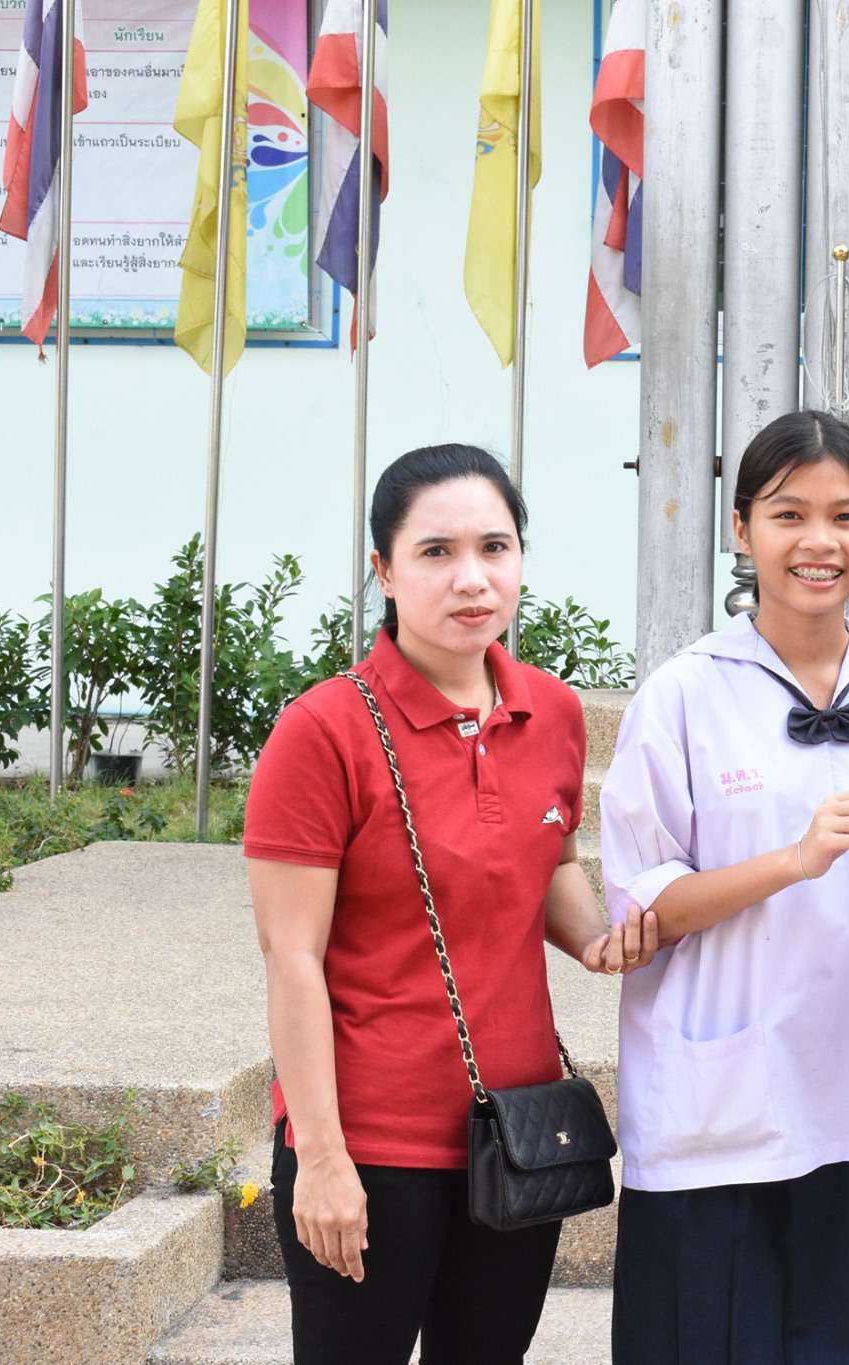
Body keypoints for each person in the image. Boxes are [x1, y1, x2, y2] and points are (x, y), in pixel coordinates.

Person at [245, 444, 656, 1364]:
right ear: (385, 570)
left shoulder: (551, 710)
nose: (472, 578)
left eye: (494, 548)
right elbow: (291, 956)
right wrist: (320, 1156)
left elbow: (548, 854)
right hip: (370, 1143)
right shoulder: (323, 730)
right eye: (436, 552)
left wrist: (596, 937)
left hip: (518, 1133)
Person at [600, 410, 849, 1364]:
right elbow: (641, 905)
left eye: (846, 515)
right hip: (718, 1112)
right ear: (741, 526)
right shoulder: (684, 692)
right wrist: (793, 860)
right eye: (788, 514)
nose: (819, 542)